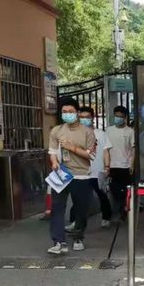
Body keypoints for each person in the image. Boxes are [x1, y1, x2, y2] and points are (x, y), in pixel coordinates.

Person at [47, 97, 96, 254]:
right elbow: (52, 151)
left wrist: (72, 148)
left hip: (81, 175)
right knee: (57, 208)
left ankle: (78, 237)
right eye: (64, 112)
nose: (67, 114)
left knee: (81, 209)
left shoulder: (87, 132)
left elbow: (91, 155)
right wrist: (54, 162)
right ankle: (58, 241)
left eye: (70, 112)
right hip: (61, 173)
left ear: (77, 112)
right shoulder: (56, 130)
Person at [66, 107, 113, 230]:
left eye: (87, 117)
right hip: (81, 172)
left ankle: (106, 218)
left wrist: (107, 167)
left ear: (92, 118)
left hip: (98, 172)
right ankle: (74, 221)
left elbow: (106, 152)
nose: (84, 120)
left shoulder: (101, 134)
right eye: (81, 117)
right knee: (78, 198)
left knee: (102, 195)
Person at [106, 106, 135, 219]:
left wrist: (132, 165)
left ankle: (124, 212)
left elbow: (133, 149)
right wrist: (106, 165)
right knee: (114, 190)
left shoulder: (130, 131)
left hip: (125, 166)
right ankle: (117, 210)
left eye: (120, 116)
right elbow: (105, 149)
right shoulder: (109, 130)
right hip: (112, 165)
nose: (118, 118)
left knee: (124, 191)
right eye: (116, 116)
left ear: (125, 117)